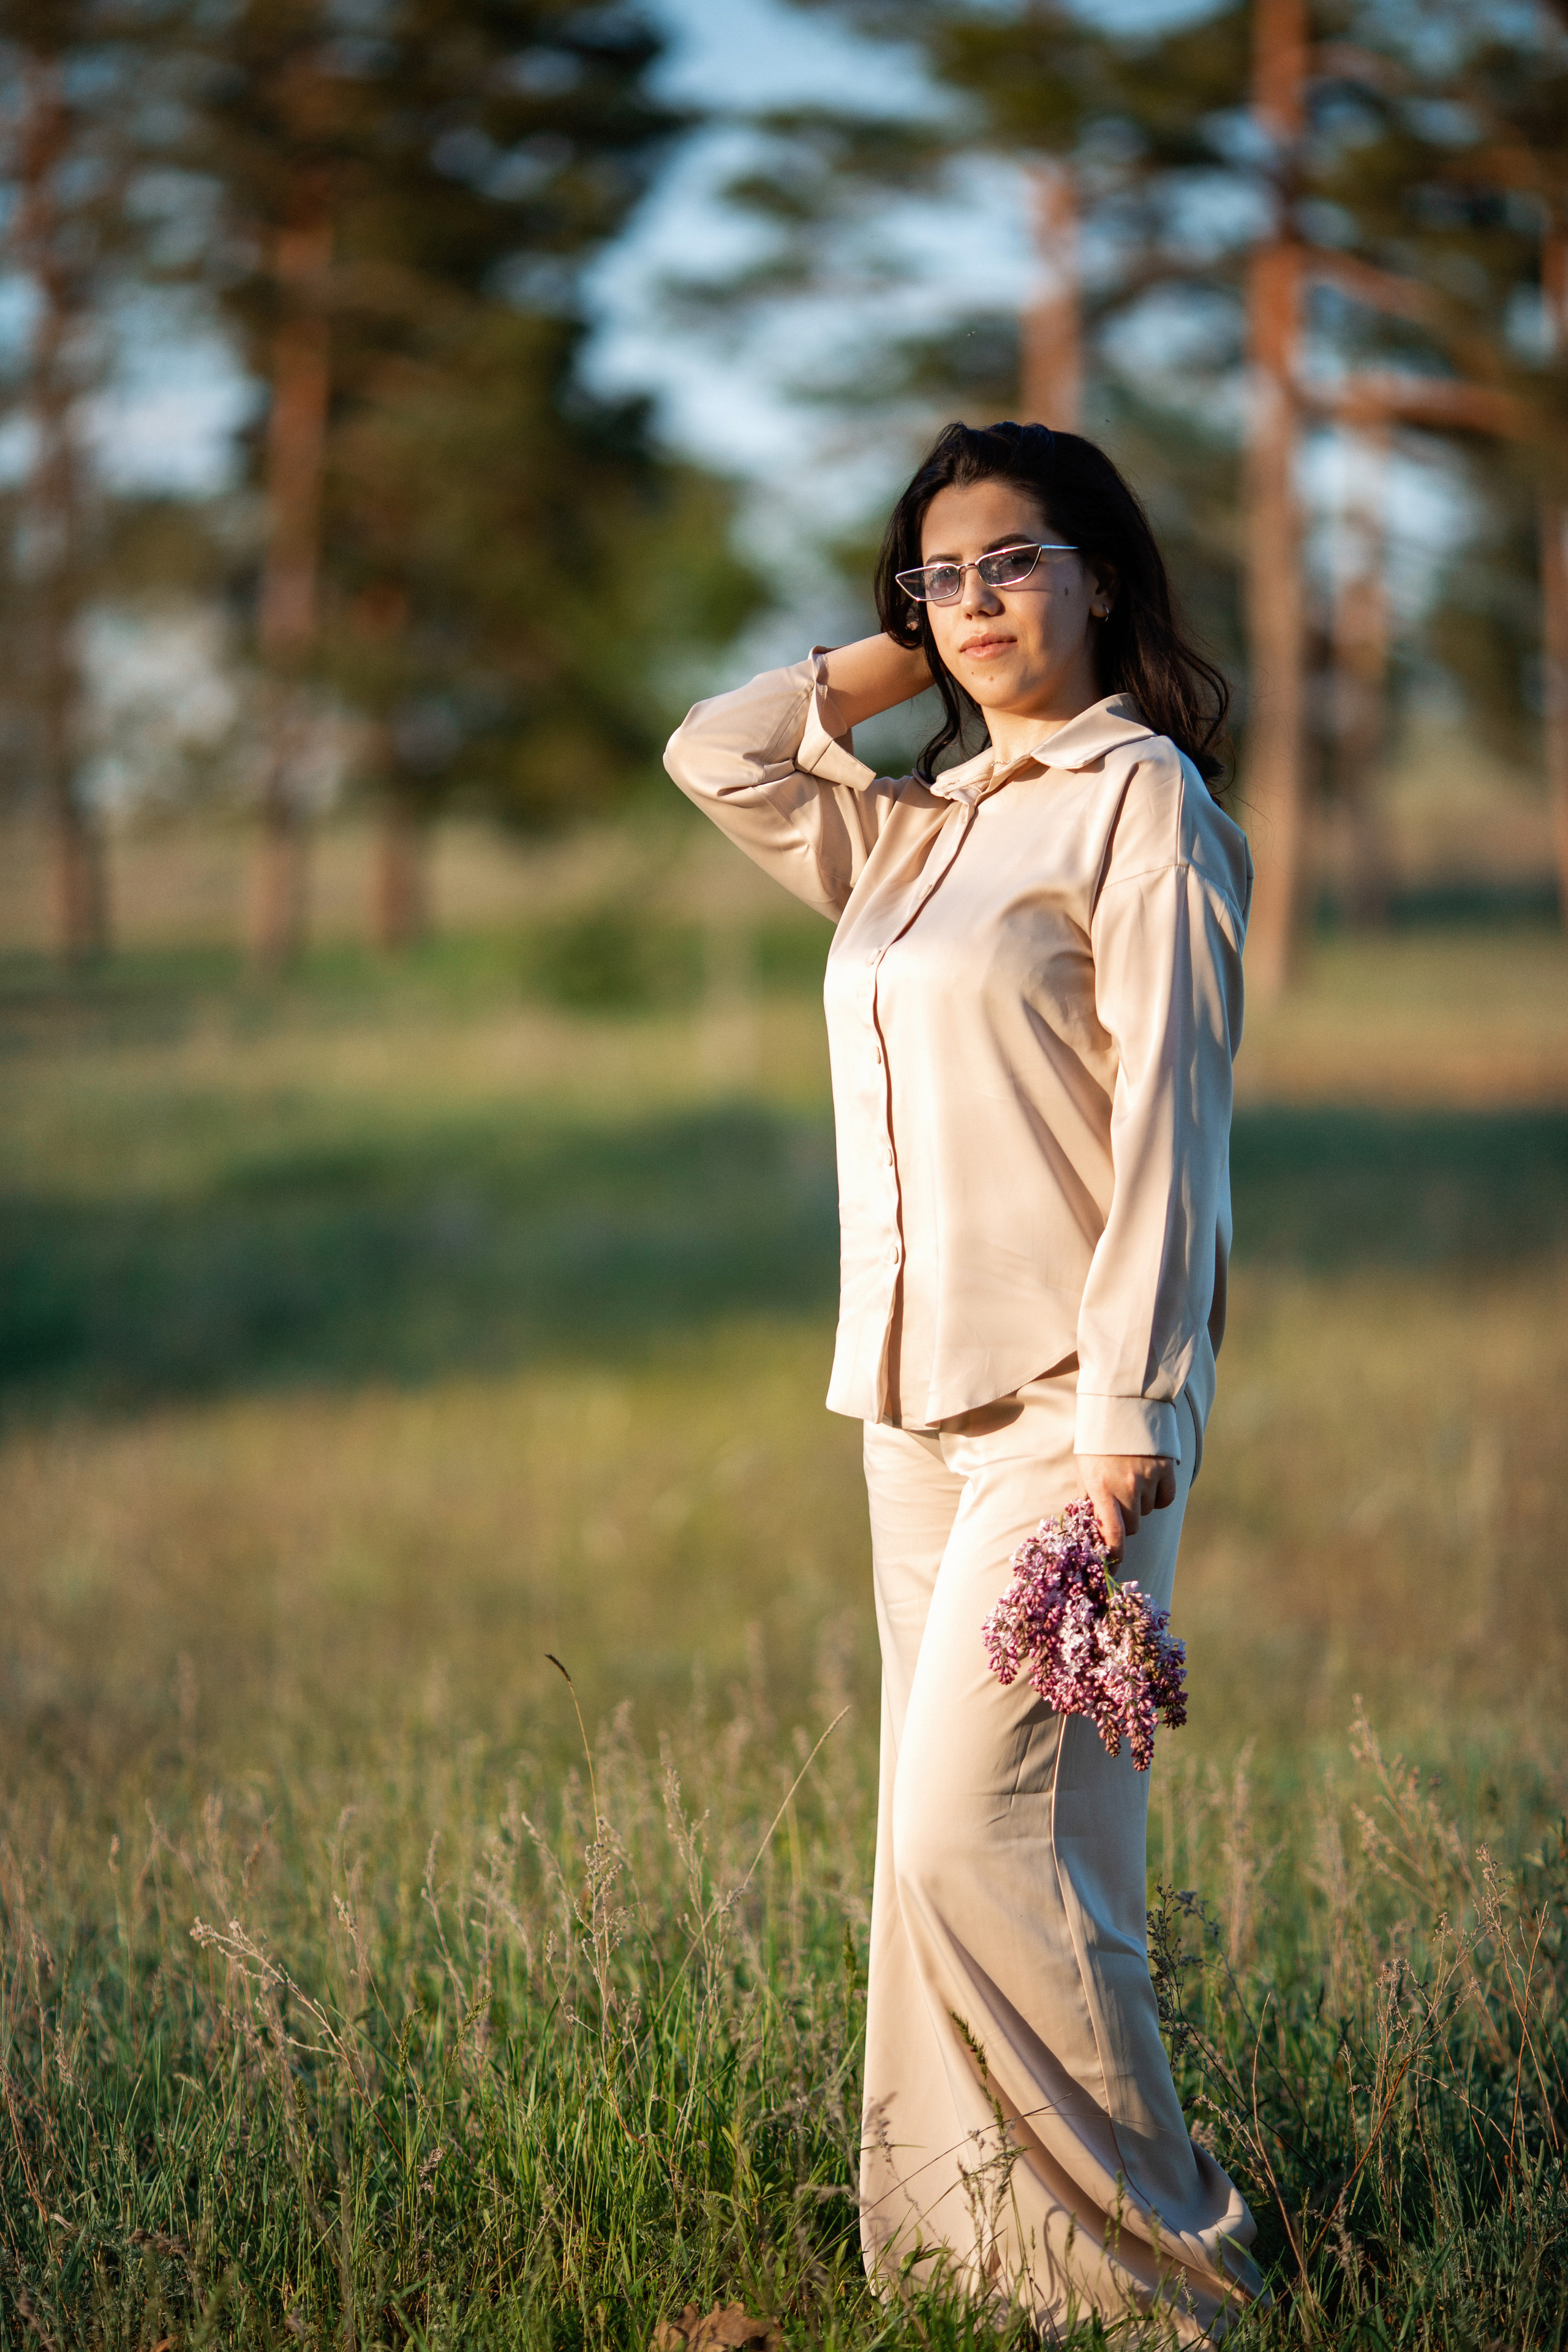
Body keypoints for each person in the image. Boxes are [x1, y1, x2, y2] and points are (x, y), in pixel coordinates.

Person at [664, 420, 1266, 2341]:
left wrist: (1133, 1421)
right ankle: (970, 2274)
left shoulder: (1141, 802)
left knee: (976, 1839)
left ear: (1103, 572)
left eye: (1016, 562)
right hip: (908, 1415)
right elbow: (717, 751)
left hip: (1065, 1417)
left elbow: (1174, 1127)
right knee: (989, 1865)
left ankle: (1174, 2284)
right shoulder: (912, 827)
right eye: (941, 573)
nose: (979, 599)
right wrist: (913, 662)